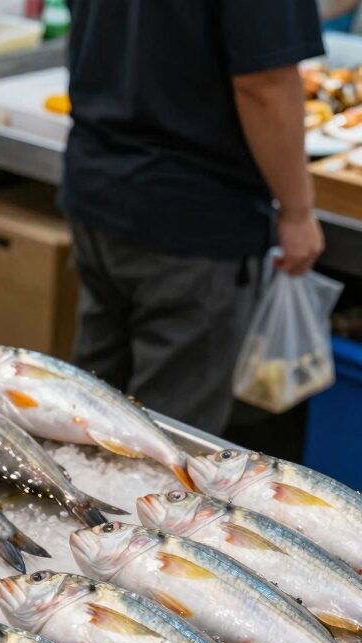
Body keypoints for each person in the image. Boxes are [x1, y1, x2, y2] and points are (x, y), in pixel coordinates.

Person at [61, 2, 326, 435]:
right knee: (167, 442)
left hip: (99, 182)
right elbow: (265, 82)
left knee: (92, 414)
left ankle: (75, 503)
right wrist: (297, 211)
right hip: (192, 218)